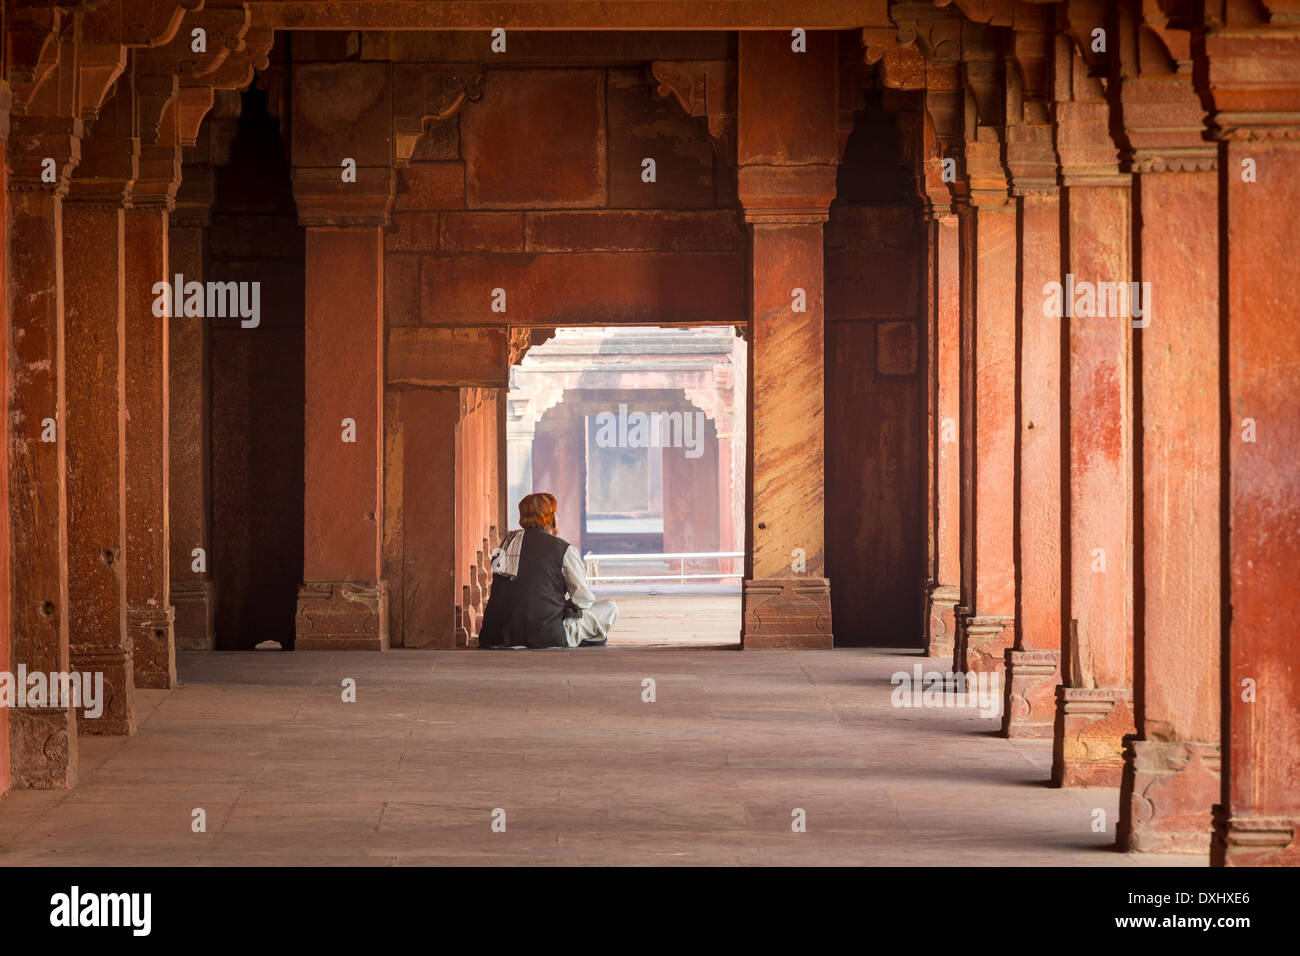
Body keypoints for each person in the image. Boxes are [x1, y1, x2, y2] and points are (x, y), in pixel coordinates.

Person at [478, 492, 619, 649]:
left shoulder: (506, 544)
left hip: (496, 636)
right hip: (545, 634)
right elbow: (583, 600)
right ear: (553, 519)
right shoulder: (563, 549)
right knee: (609, 608)